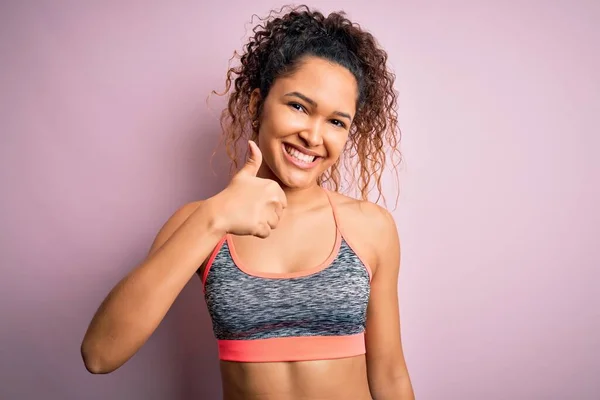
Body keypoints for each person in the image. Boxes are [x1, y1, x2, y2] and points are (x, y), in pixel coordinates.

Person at [81, 5, 415, 399]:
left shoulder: (370, 227)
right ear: (257, 104)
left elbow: (390, 375)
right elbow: (100, 354)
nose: (313, 135)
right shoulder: (203, 221)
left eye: (336, 121)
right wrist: (215, 217)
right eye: (298, 106)